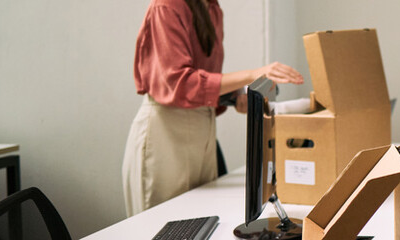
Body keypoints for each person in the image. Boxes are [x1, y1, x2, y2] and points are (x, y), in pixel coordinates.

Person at [122, 0, 303, 217]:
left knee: (200, 221)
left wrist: (234, 97)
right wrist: (251, 74)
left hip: (201, 135)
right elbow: (180, 83)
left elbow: (201, 82)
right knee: (161, 225)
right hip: (166, 137)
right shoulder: (166, 5)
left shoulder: (213, 9)